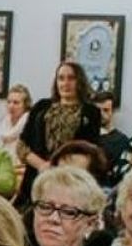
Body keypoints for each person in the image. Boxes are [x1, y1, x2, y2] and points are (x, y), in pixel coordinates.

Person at [15, 62, 102, 207]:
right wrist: (42, 165)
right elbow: (22, 145)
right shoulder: (41, 107)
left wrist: (58, 169)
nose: (65, 83)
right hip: (36, 178)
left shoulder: (91, 112)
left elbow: (89, 151)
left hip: (71, 180)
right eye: (61, 78)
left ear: (80, 81)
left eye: (71, 78)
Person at [91, 91, 130, 186]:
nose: (101, 114)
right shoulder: (85, 137)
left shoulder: (122, 140)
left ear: (113, 112)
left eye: (106, 110)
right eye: (97, 110)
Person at [0, 83, 32, 158]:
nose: (11, 106)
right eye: (9, 102)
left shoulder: (30, 124)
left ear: (25, 105)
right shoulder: (3, 121)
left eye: (16, 103)